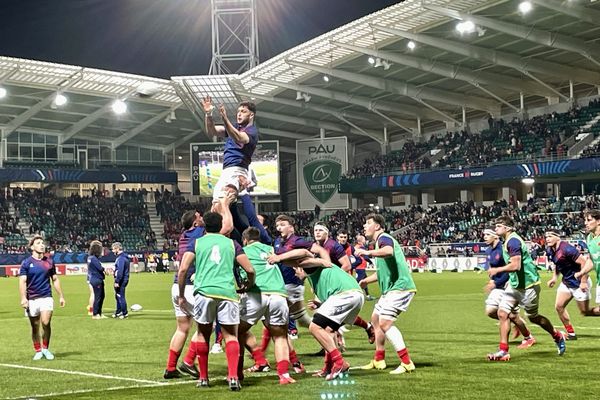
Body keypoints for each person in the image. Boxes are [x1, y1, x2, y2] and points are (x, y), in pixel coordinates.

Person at [177, 212, 256, 391]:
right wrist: (247, 285)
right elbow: (250, 270)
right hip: (227, 293)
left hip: (204, 293)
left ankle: (204, 379)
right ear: (221, 225)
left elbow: (183, 270)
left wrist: (181, 295)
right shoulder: (232, 243)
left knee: (202, 334)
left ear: (204, 225)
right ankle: (233, 378)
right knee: (231, 336)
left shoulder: (196, 242)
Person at [487, 216, 566, 361]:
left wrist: (497, 270)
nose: (496, 228)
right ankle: (503, 351)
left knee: (534, 318)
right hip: (515, 285)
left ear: (508, 228)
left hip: (529, 286)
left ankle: (557, 335)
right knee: (502, 313)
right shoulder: (508, 241)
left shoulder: (513, 241)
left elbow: (516, 266)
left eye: (498, 226)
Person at [264, 214, 331, 374]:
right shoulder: (278, 242)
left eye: (283, 224)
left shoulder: (298, 241)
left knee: (274, 321)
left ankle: (263, 355)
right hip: (283, 285)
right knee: (299, 320)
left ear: (291, 227)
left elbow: (319, 249)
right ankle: (329, 332)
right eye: (278, 225)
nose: (279, 227)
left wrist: (327, 266)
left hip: (293, 285)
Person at [355, 214, 417, 375]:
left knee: (385, 323)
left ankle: (406, 362)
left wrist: (366, 253)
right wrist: (366, 281)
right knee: (375, 319)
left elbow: (388, 251)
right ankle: (379, 359)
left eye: (368, 223)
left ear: (377, 226)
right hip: (391, 289)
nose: (364, 226)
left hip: (401, 287)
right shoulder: (378, 244)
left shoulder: (384, 238)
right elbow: (382, 272)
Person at [237, 227, 296, 385]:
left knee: (234, 331)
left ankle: (237, 373)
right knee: (280, 336)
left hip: (257, 293)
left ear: (245, 240)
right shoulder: (271, 249)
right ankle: (284, 375)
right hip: (278, 294)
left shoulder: (242, 250)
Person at [294, 255, 364, 381]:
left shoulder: (311, 269)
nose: (295, 272)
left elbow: (309, 261)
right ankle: (328, 367)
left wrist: (319, 260)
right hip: (354, 295)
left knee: (315, 327)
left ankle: (340, 362)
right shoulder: (316, 278)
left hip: (345, 294)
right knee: (328, 331)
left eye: (295, 269)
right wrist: (320, 305)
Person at [164, 210, 205, 380]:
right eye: (199, 216)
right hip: (189, 287)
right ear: (195, 223)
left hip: (177, 286)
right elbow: (225, 227)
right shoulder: (199, 232)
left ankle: (170, 367)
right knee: (206, 326)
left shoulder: (184, 235)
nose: (202, 218)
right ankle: (188, 361)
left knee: (182, 328)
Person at [482, 229, 535, 347]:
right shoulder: (489, 250)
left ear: (495, 237)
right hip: (498, 285)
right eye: (484, 234)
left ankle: (528, 337)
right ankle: (514, 324)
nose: (484, 237)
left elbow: (511, 268)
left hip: (507, 285)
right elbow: (492, 269)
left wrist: (496, 283)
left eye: (487, 234)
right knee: (491, 311)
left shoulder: (503, 249)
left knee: (511, 315)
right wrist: (492, 280)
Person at [201, 97, 258, 203]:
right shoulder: (235, 127)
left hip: (237, 170)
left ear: (251, 115)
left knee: (223, 204)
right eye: (238, 111)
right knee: (216, 204)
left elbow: (239, 137)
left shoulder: (252, 131)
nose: (239, 114)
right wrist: (208, 114)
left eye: (243, 111)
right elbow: (212, 131)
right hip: (226, 170)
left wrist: (225, 119)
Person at [19, 235, 65, 360]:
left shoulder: (49, 261)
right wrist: (23, 298)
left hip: (46, 296)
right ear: (32, 247)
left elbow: (55, 279)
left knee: (45, 322)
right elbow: (22, 281)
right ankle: (38, 350)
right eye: (38, 243)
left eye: (42, 242)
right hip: (32, 298)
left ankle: (45, 348)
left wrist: (61, 296)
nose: (42, 245)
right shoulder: (27, 263)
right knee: (35, 326)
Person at [546, 230, 598, 340]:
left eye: (550, 236)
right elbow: (557, 264)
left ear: (558, 237)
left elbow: (584, 262)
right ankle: (571, 333)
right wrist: (554, 278)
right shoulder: (550, 249)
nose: (547, 239)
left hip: (579, 283)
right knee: (559, 306)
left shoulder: (567, 249)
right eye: (546, 236)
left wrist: (583, 282)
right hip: (567, 282)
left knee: (585, 312)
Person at [87, 240, 106, 319]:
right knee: (98, 297)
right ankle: (95, 314)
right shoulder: (94, 259)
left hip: (94, 278)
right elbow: (100, 268)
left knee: (101, 296)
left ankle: (99, 313)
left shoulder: (90, 258)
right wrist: (104, 270)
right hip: (97, 279)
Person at [112, 242, 130, 319]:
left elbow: (120, 271)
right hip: (123, 279)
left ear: (117, 249)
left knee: (120, 296)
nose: (112, 251)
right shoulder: (122, 257)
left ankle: (124, 313)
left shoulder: (121, 258)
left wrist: (117, 281)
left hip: (121, 280)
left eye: (113, 249)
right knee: (117, 296)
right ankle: (118, 311)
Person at [353, 235, 373, 300]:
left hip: (359, 267)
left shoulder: (355, 247)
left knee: (364, 282)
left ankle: (367, 296)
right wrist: (370, 262)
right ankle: (353, 295)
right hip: (360, 267)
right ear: (360, 241)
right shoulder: (361, 247)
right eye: (364, 239)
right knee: (359, 282)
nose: (365, 241)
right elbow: (365, 257)